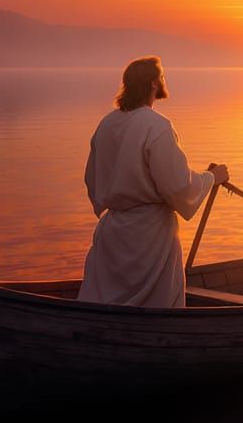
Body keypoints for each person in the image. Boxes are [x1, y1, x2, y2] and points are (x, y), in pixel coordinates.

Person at [77, 56, 229, 307]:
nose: (163, 80)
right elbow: (178, 186)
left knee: (105, 303)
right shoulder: (157, 126)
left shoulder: (106, 124)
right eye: (161, 76)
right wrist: (213, 177)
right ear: (152, 83)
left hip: (113, 234)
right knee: (158, 304)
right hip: (149, 239)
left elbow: (92, 179)